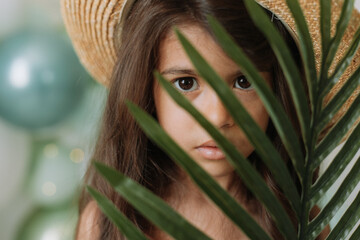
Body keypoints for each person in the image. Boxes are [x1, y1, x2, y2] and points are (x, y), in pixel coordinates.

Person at [61, 0, 359, 239]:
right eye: (186, 84)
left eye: (244, 81)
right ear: (144, 91)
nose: (217, 117)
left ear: (279, 93)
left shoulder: (299, 225)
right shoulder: (110, 224)